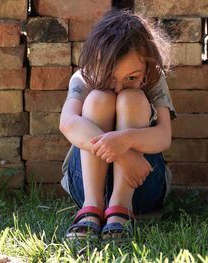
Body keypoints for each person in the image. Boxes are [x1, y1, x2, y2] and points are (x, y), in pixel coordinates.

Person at [59, 9, 177, 242]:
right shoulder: (84, 77)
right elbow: (67, 123)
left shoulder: (154, 79)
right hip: (86, 185)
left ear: (147, 67)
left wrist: (126, 140)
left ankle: (121, 208)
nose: (118, 87)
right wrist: (124, 156)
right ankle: (92, 208)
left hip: (142, 183)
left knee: (131, 98)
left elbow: (164, 136)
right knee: (98, 98)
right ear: (96, 62)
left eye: (131, 78)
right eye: (110, 77)